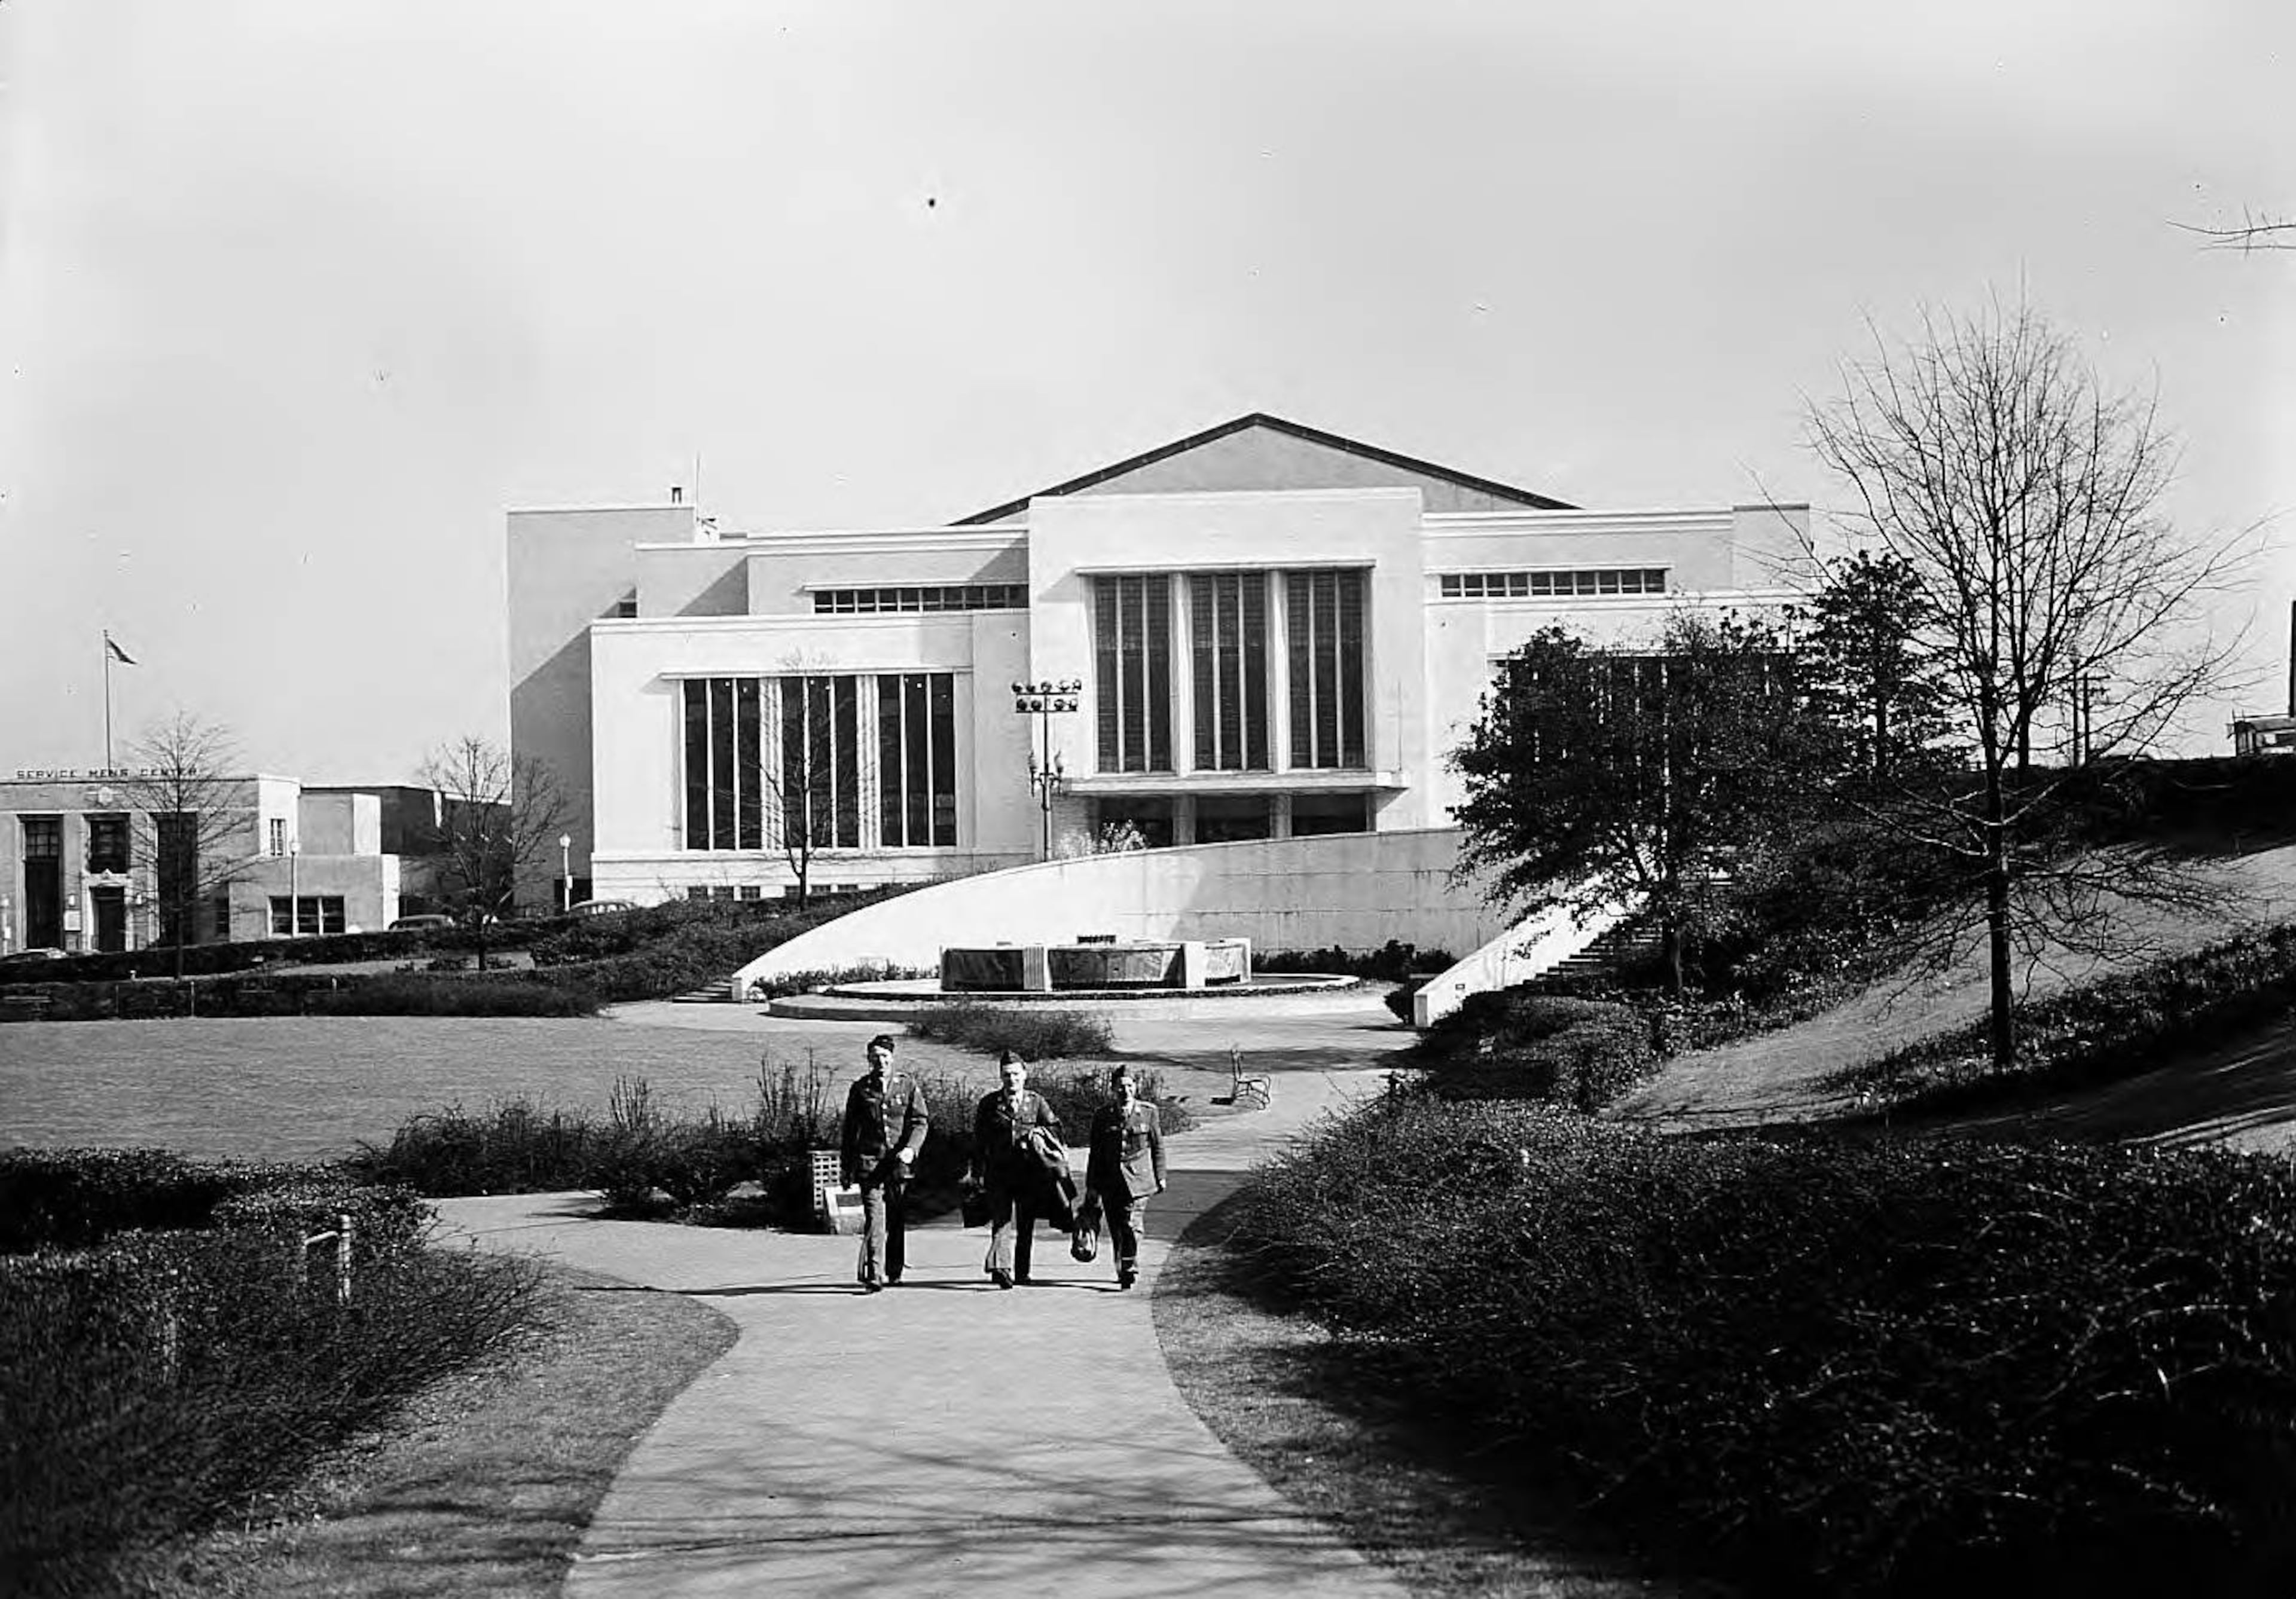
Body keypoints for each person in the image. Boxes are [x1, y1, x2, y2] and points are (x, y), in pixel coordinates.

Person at [968, 1051, 1066, 1289]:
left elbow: (1055, 1129)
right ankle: (1002, 1268)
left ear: (1025, 1075)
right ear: (1001, 1077)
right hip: (998, 1174)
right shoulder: (989, 1104)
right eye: (1006, 1075)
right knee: (1001, 1221)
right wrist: (976, 1172)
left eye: (1016, 1074)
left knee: (1026, 1224)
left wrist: (1040, 1138)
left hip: (1029, 1174)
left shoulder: (1036, 1102)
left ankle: (1022, 1272)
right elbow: (979, 1141)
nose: (1012, 1079)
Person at [840, 1033, 928, 1292]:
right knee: (875, 1219)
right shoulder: (860, 1089)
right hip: (870, 1164)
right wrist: (847, 1167)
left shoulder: (907, 1086)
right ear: (869, 1059)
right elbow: (850, 1131)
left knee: (897, 1219)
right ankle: (874, 1274)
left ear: (893, 1058)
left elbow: (920, 1122)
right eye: (875, 1057)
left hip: (899, 1166)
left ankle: (895, 1271)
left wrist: (912, 1149)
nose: (880, 1062)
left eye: (885, 1057)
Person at [1085, 1062, 1167, 1291]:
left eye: (1130, 1086)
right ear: (1113, 1089)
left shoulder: (1149, 1113)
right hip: (1110, 1182)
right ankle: (1123, 1267)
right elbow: (1096, 1153)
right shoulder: (1103, 1116)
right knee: (1116, 1228)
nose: (1126, 1091)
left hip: (1139, 1181)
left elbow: (1158, 1146)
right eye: (1121, 1087)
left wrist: (1161, 1176)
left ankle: (1130, 1265)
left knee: (1132, 1224)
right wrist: (1092, 1186)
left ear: (1136, 1087)